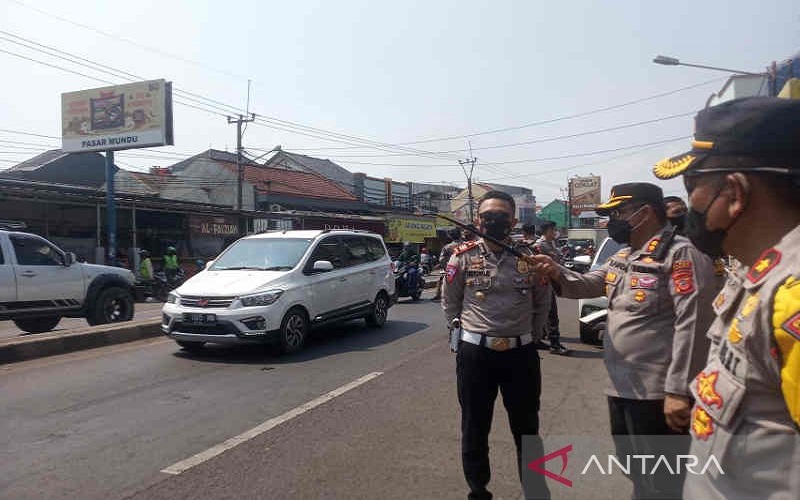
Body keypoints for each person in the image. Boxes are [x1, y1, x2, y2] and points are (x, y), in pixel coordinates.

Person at [652, 96, 800, 499]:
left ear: (734, 192)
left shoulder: (792, 296)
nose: (688, 205)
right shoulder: (755, 271)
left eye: (693, 186)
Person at [532, 182, 720, 499]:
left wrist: (678, 390)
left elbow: (694, 325)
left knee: (664, 480)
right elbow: (591, 283)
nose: (611, 221)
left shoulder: (681, 255)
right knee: (635, 469)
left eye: (618, 213)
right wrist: (556, 272)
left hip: (658, 394)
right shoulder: (625, 254)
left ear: (644, 213)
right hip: (622, 386)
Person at [443, 190, 551, 500]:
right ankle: (478, 490)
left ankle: (535, 490)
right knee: (474, 427)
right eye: (488, 216)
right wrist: (462, 336)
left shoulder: (529, 257)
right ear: (478, 220)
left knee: (527, 429)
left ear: (513, 220)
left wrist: (527, 337)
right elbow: (450, 304)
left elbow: (542, 303)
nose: (494, 221)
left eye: (501, 216)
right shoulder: (462, 256)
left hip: (521, 355)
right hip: (476, 355)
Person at [535, 221, 569, 355]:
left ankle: (540, 339)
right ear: (546, 231)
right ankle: (554, 344)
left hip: (552, 282)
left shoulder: (551, 243)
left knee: (549, 313)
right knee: (552, 314)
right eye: (552, 230)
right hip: (544, 284)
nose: (555, 232)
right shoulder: (539, 245)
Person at [432, 228, 462, 301]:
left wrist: (445, 267)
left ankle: (438, 295)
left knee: (441, 279)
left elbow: (441, 260)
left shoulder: (447, 247)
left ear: (450, 236)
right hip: (464, 268)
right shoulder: (466, 245)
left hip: (451, 269)